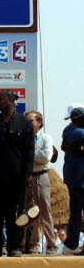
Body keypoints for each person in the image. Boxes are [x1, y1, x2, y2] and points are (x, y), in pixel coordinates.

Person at [0, 89, 35, 257]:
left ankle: (14, 247)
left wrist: (28, 174)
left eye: (0, 100)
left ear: (10, 101)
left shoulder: (25, 124)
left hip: (16, 178)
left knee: (15, 214)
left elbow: (29, 152)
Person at [22, 111, 58, 255]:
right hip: (24, 177)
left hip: (40, 176)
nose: (28, 123)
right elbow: (18, 156)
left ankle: (51, 245)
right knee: (24, 212)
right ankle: (23, 244)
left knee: (43, 210)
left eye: (31, 120)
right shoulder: (22, 138)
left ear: (39, 123)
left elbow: (46, 157)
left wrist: (28, 157)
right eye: (26, 121)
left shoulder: (46, 138)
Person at [60, 106, 84, 254]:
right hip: (80, 179)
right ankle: (72, 243)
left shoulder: (68, 130)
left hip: (73, 178)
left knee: (75, 212)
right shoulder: (78, 131)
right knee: (76, 213)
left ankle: (71, 244)